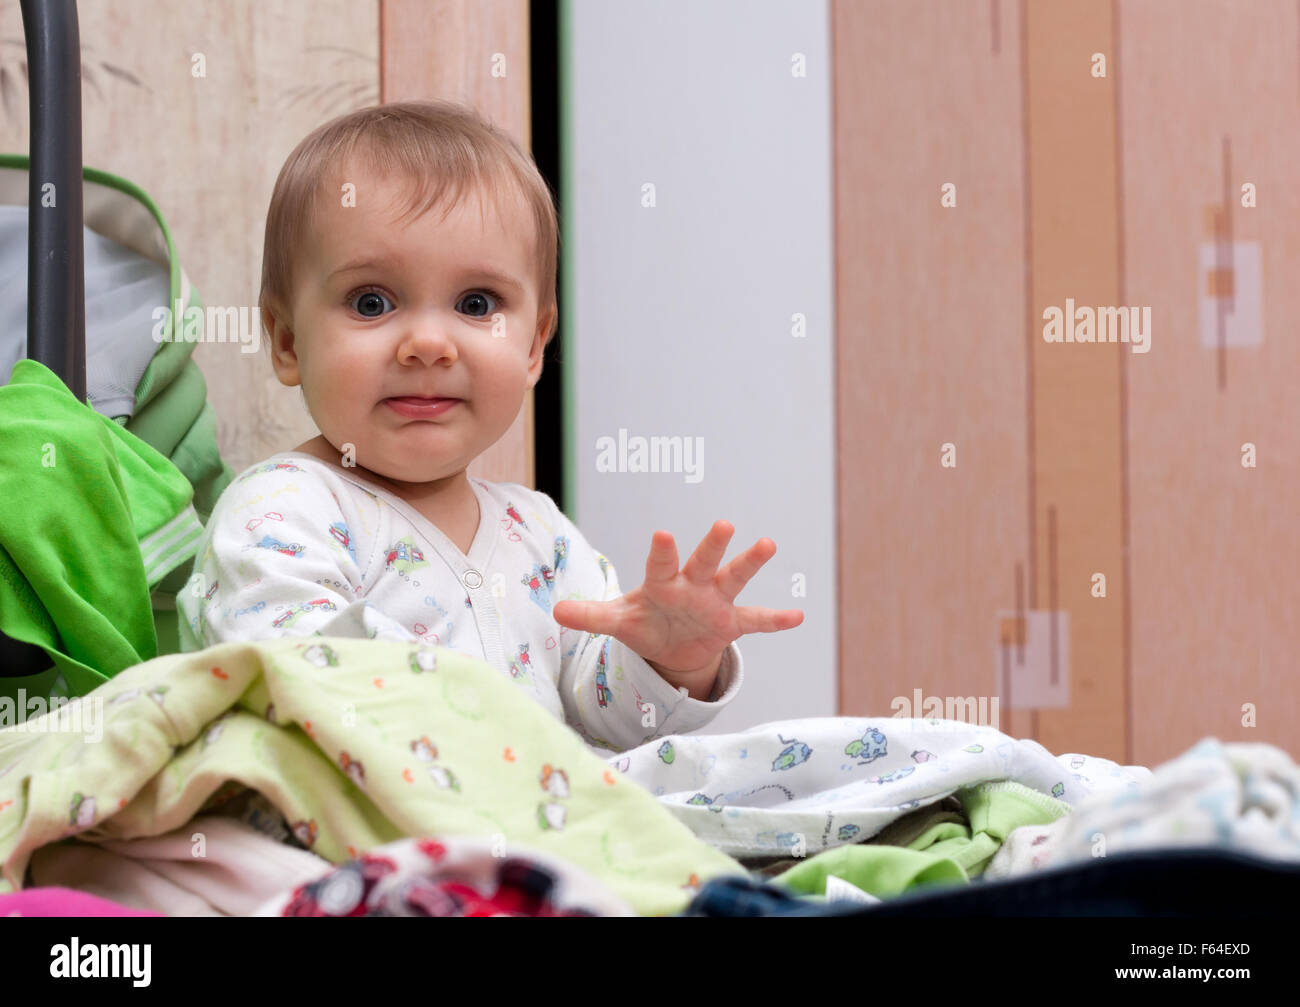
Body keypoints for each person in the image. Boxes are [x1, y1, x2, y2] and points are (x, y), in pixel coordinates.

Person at [179, 100, 803, 752]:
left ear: (533, 347)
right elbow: (297, 681)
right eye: (372, 302)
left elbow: (609, 723)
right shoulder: (282, 508)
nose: (427, 343)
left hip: (544, 824)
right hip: (357, 833)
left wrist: (668, 661)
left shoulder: (542, 537)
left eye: (476, 304)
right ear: (286, 341)